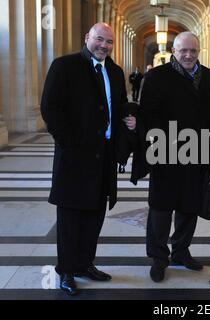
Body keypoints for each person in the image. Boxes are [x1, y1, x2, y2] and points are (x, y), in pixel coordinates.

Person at [40, 23, 128, 296]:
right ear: (87, 37)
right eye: (100, 39)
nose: (104, 45)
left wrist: (131, 120)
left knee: (95, 214)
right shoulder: (64, 66)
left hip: (104, 157)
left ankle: (85, 263)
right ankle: (66, 269)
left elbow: (120, 106)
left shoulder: (114, 71)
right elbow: (50, 107)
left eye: (109, 42)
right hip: (75, 158)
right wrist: (69, 143)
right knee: (70, 216)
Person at [128, 31, 210, 283]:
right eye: (183, 51)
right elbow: (148, 115)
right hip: (166, 151)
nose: (188, 55)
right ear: (174, 52)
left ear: (198, 51)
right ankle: (158, 257)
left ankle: (181, 251)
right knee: (161, 206)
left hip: (199, 151)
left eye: (193, 51)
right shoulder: (157, 76)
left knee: (190, 205)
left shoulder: (209, 76)